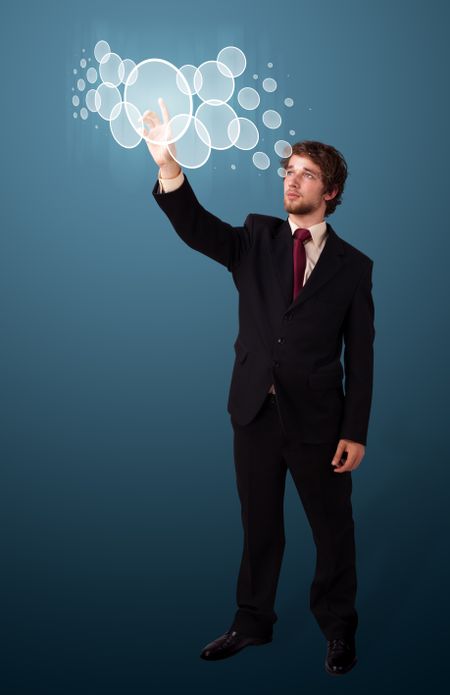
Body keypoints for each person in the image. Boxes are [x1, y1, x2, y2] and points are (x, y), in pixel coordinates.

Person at [140, 99, 375, 675]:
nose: (292, 180)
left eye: (307, 174)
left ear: (333, 192)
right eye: (288, 170)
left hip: (321, 421)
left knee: (332, 531)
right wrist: (166, 162)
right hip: (254, 413)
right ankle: (252, 623)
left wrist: (356, 431)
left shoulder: (353, 265)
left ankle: (338, 629)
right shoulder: (255, 237)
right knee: (259, 527)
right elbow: (195, 228)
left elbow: (362, 353)